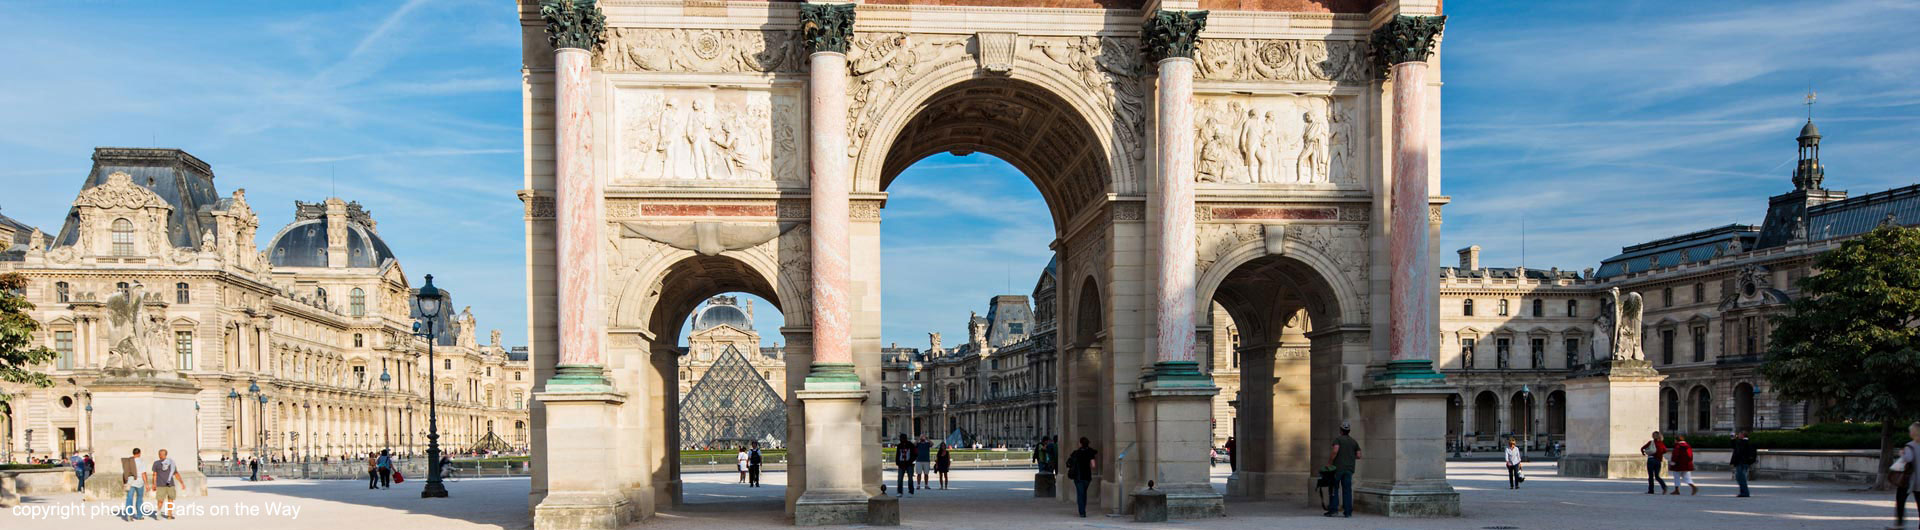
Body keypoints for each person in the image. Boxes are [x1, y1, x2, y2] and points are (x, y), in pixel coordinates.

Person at [1326, 421, 1361, 518]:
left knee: (1334, 488)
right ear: (1349, 431)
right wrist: (1350, 456)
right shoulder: (1354, 441)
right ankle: (1348, 512)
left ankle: (1333, 510)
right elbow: (1358, 455)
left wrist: (1329, 462)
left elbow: (1335, 450)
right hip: (1349, 469)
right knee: (1347, 490)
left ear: (1341, 431)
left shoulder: (1338, 440)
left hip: (1338, 469)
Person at [1890, 421, 1918, 530]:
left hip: (1908, 480)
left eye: (1911, 430)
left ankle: (1899, 524)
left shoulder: (1910, 446)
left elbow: (1908, 459)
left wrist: (1902, 454)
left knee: (1900, 500)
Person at [1066, 437, 1098, 518]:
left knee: (1080, 494)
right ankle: (1083, 509)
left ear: (1080, 443)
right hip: (1087, 476)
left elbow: (1069, 463)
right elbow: (1093, 465)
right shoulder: (1090, 452)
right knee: (1084, 493)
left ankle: (1082, 512)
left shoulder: (1076, 453)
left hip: (1078, 476)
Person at [151, 448, 183, 520]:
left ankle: (169, 515)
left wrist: (181, 482)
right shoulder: (156, 463)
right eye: (159, 454)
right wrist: (154, 484)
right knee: (160, 500)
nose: (160, 455)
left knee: (170, 500)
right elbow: (154, 474)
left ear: (166, 455)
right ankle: (158, 514)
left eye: (162, 454)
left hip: (170, 485)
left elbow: (176, 474)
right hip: (160, 485)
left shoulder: (171, 463)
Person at [122, 448, 146, 521]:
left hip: (130, 482)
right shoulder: (141, 461)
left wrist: (125, 481)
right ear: (139, 453)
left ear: (133, 453)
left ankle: (129, 515)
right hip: (139, 482)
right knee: (139, 498)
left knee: (129, 498)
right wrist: (147, 483)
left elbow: (124, 472)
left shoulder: (128, 461)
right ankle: (139, 515)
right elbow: (143, 473)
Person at [1731, 431, 1757, 498]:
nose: (1738, 435)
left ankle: (1745, 493)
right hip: (1741, 462)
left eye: (1739, 434)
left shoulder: (1745, 442)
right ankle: (1743, 492)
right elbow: (1734, 447)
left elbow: (1739, 449)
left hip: (1742, 462)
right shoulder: (1741, 442)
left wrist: (1735, 439)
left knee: (1741, 478)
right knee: (1739, 478)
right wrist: (1733, 439)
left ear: (1743, 435)